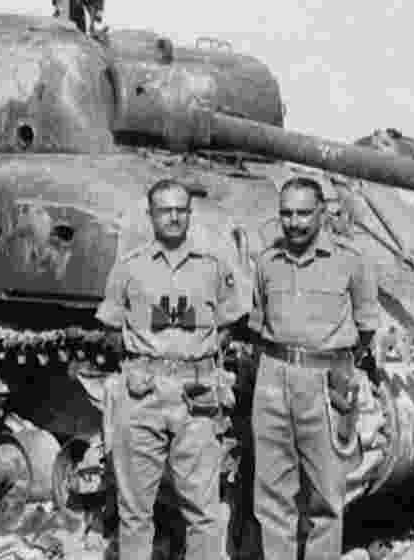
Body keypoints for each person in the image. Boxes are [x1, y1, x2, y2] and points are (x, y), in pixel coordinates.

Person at [96, 178, 248, 560]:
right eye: (165, 210)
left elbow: (229, 322)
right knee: (134, 512)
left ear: (190, 214)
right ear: (151, 216)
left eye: (181, 209)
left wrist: (193, 359)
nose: (174, 217)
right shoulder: (129, 268)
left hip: (196, 400)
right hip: (142, 395)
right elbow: (112, 325)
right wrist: (145, 362)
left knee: (203, 511)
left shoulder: (212, 266)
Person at [248, 176, 380, 559]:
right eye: (286, 213)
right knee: (272, 496)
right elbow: (258, 326)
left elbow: (366, 328)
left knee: (326, 497)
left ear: (322, 212)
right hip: (272, 378)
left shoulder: (350, 261)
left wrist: (336, 370)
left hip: (325, 384)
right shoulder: (266, 263)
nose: (295, 222)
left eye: (304, 213)